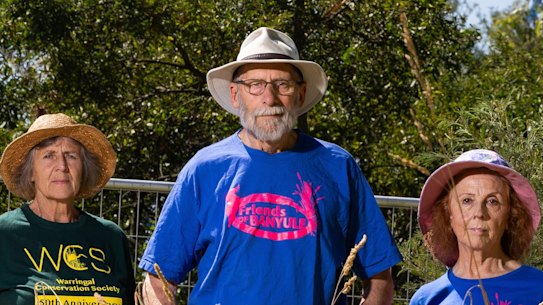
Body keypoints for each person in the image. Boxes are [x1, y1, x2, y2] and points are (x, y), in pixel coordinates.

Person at [138, 27, 402, 305]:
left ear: (300, 94)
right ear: (235, 94)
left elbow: (379, 278)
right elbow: (158, 280)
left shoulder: (337, 167)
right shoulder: (204, 169)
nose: (269, 98)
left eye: (282, 85)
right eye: (255, 85)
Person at [0, 113, 136, 305]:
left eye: (71, 156)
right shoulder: (5, 234)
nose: (62, 166)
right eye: (49, 156)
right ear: (30, 171)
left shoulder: (110, 237)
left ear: (83, 169)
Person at [410, 149, 543, 304]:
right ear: (448, 215)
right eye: (467, 200)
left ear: (510, 216)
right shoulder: (427, 299)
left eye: (492, 201)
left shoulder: (539, 289)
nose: (479, 213)